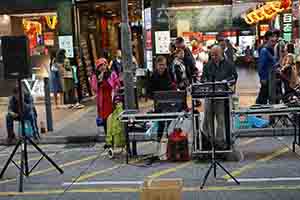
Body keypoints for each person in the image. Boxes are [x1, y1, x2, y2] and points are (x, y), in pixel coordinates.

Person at [201, 45, 238, 149]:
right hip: (209, 95)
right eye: (211, 55)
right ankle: (210, 141)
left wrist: (226, 82)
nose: (213, 57)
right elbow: (203, 78)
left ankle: (220, 142)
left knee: (221, 119)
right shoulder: (208, 65)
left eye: (215, 55)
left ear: (221, 53)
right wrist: (206, 82)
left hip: (222, 96)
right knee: (208, 118)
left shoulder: (229, 65)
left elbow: (234, 77)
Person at [90, 58, 121, 136]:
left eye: (104, 65)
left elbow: (117, 84)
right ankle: (107, 134)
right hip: (102, 100)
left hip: (111, 98)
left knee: (112, 117)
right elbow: (94, 88)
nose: (103, 67)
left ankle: (113, 134)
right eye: (100, 66)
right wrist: (99, 80)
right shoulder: (95, 76)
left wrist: (116, 90)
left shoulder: (112, 73)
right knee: (105, 119)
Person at [148, 56, 175, 142]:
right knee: (160, 122)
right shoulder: (153, 76)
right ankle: (158, 139)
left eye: (164, 65)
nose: (162, 67)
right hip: (158, 102)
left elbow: (172, 85)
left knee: (170, 121)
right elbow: (150, 90)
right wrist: (154, 97)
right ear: (156, 65)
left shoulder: (169, 73)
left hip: (168, 101)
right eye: (160, 65)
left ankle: (169, 139)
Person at [256, 30, 277, 105]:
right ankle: (256, 113)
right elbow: (261, 65)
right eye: (272, 41)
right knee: (262, 97)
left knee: (264, 96)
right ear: (267, 39)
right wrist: (263, 78)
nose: (274, 43)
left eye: (275, 41)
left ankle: (258, 112)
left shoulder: (270, 50)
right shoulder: (264, 51)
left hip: (270, 78)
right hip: (267, 78)